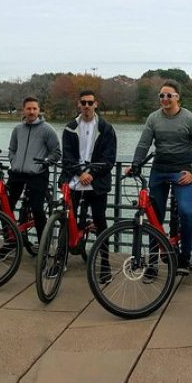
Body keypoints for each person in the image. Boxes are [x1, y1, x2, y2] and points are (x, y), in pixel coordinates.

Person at [131, 79, 192, 279]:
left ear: (178, 97)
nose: (165, 99)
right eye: (162, 96)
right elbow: (144, 145)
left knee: (185, 212)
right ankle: (152, 264)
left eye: (169, 95)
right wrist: (135, 164)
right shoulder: (153, 118)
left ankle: (185, 257)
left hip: (181, 172)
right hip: (158, 171)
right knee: (153, 217)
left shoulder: (189, 118)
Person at [61, 90, 117, 284]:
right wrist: (80, 173)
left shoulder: (106, 129)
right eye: (83, 102)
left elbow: (109, 159)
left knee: (100, 221)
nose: (86, 106)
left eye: (90, 102)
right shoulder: (70, 128)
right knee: (65, 220)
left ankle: (105, 263)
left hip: (97, 182)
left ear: (96, 104)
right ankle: (60, 259)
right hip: (74, 180)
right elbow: (66, 157)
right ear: (79, 104)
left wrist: (91, 174)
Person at [7, 96, 61, 241]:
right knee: (5, 207)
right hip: (17, 173)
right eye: (28, 108)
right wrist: (14, 161)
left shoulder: (47, 129)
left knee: (37, 209)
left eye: (34, 108)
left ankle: (43, 245)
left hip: (37, 174)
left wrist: (44, 162)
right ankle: (10, 242)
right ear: (23, 110)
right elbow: (12, 149)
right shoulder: (17, 129)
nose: (31, 111)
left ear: (39, 110)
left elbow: (56, 152)